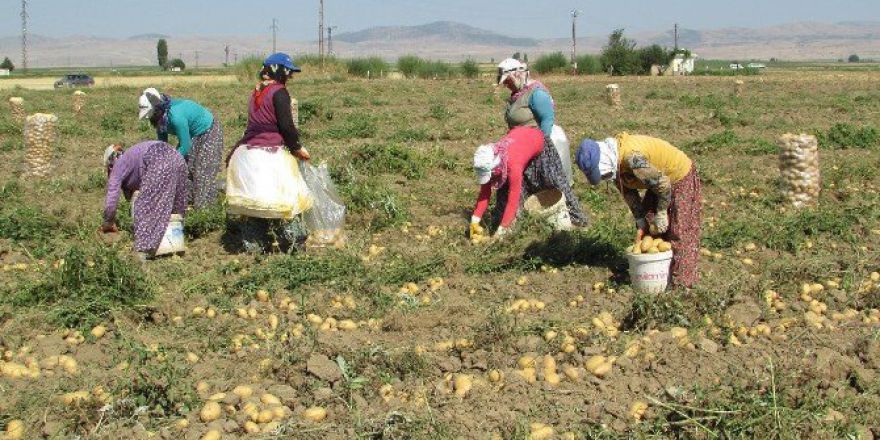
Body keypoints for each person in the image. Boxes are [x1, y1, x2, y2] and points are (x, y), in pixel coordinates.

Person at [575, 133, 702, 288]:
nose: (605, 177)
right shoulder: (615, 164)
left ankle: (683, 286)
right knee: (650, 225)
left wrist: (662, 212)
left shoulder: (633, 159)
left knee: (680, 232)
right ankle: (659, 275)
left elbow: (663, 184)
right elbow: (627, 191)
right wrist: (640, 219)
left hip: (678, 176)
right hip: (658, 183)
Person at [226, 52, 311, 253]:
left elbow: (252, 126)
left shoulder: (256, 92)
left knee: (257, 205)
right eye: (289, 73)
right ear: (280, 72)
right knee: (286, 204)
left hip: (248, 155)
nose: (290, 77)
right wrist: (297, 148)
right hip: (270, 157)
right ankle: (292, 245)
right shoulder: (279, 92)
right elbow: (286, 126)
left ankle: (254, 246)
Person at [493, 58, 588, 228]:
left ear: (518, 74)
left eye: (507, 80)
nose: (506, 85)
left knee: (553, 184)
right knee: (517, 184)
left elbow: (547, 120)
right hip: (521, 147)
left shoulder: (536, 93)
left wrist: (538, 147)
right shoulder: (517, 94)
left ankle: (573, 220)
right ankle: (514, 222)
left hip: (540, 146)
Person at [100, 141, 187, 260]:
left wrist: (108, 222)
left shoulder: (118, 165)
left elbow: (112, 196)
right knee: (174, 207)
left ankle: (144, 250)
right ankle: (175, 243)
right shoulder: (131, 158)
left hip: (158, 160)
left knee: (143, 206)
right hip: (178, 158)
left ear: (110, 162)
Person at [138, 87, 223, 209]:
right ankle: (185, 205)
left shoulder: (175, 116)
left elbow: (185, 147)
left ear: (156, 110)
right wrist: (160, 162)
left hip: (208, 130)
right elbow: (163, 144)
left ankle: (204, 211)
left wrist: (169, 162)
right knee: (185, 169)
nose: (149, 118)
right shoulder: (160, 120)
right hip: (191, 134)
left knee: (203, 172)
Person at [472, 126, 562, 238]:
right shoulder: (487, 161)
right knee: (504, 198)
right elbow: (484, 193)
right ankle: (509, 222)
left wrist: (502, 229)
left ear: (496, 168)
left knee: (545, 186)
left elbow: (513, 199)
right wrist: (474, 220)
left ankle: (555, 226)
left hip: (537, 141)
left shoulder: (513, 165)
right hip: (519, 137)